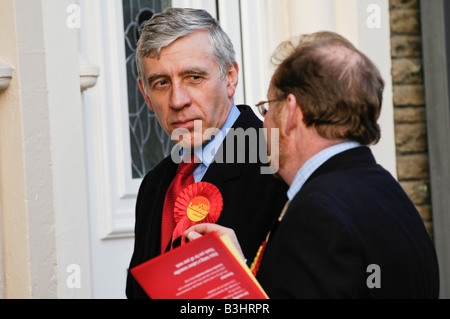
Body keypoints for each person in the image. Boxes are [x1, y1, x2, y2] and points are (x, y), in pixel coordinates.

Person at [185, 31, 440, 298]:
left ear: (291, 111)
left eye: (267, 109)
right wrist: (242, 271)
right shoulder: (391, 193)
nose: (264, 126)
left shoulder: (315, 216)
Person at [125, 7, 288, 299]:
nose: (177, 100)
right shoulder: (153, 185)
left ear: (230, 77)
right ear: (145, 95)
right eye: (161, 83)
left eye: (194, 77)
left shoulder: (278, 161)